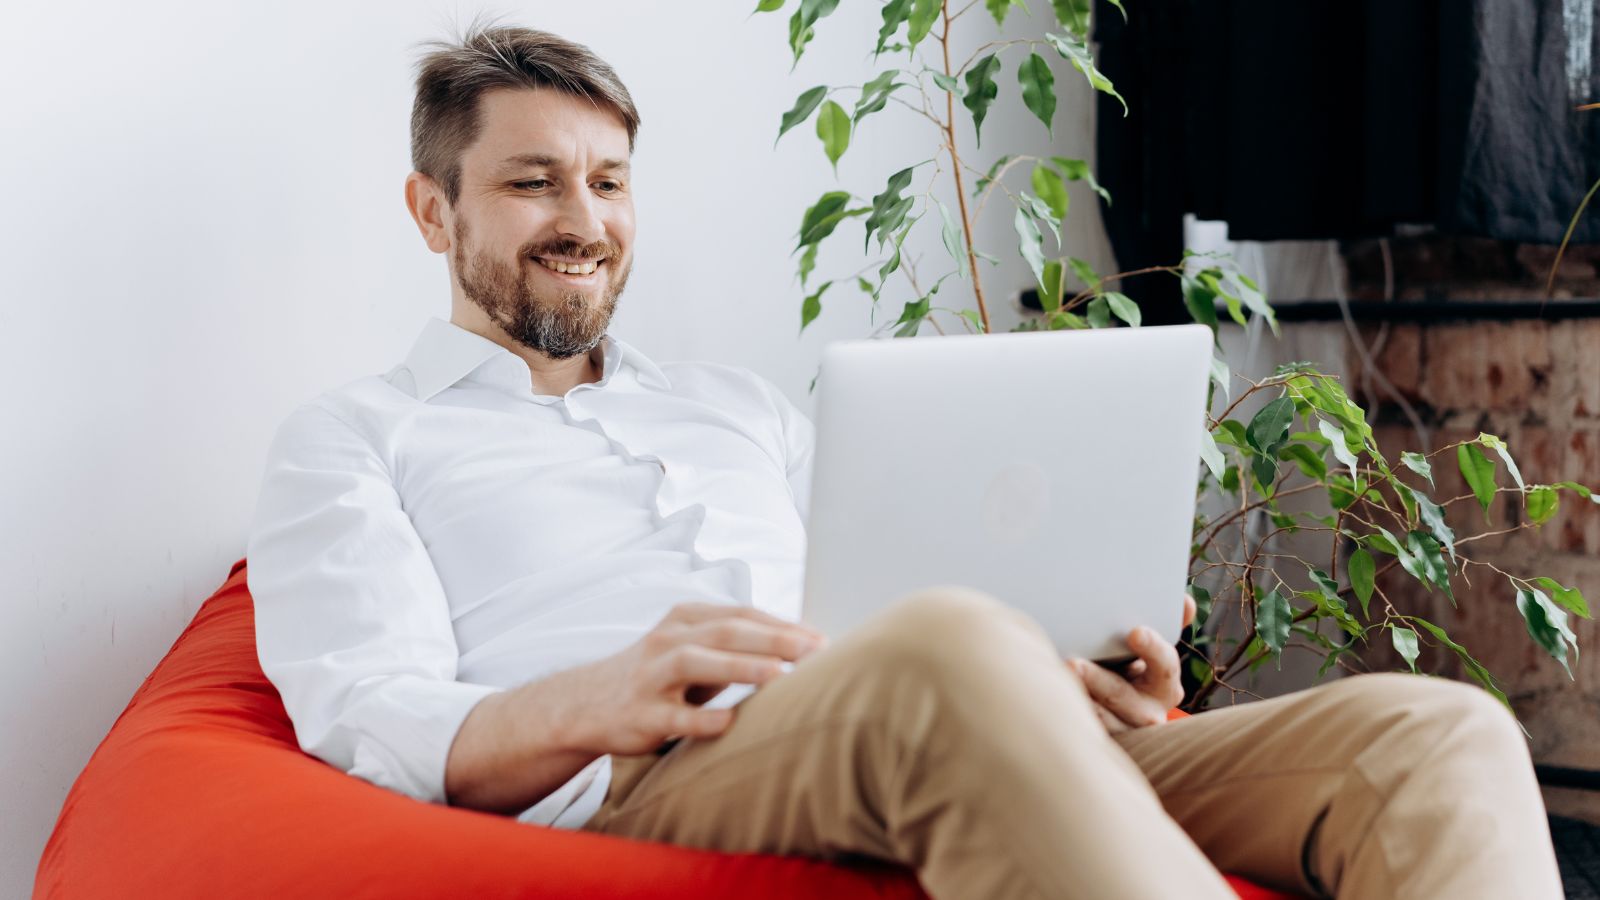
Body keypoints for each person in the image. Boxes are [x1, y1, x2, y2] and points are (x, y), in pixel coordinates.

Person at [245, 23, 1564, 900]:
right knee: (943, 647)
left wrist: (1068, 664)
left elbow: (904, 602)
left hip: (920, 718)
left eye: (610, 180)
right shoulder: (353, 441)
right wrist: (608, 694)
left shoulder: (739, 408)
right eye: (533, 183)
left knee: (1430, 732)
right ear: (435, 209)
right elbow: (372, 717)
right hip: (665, 780)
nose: (583, 220)